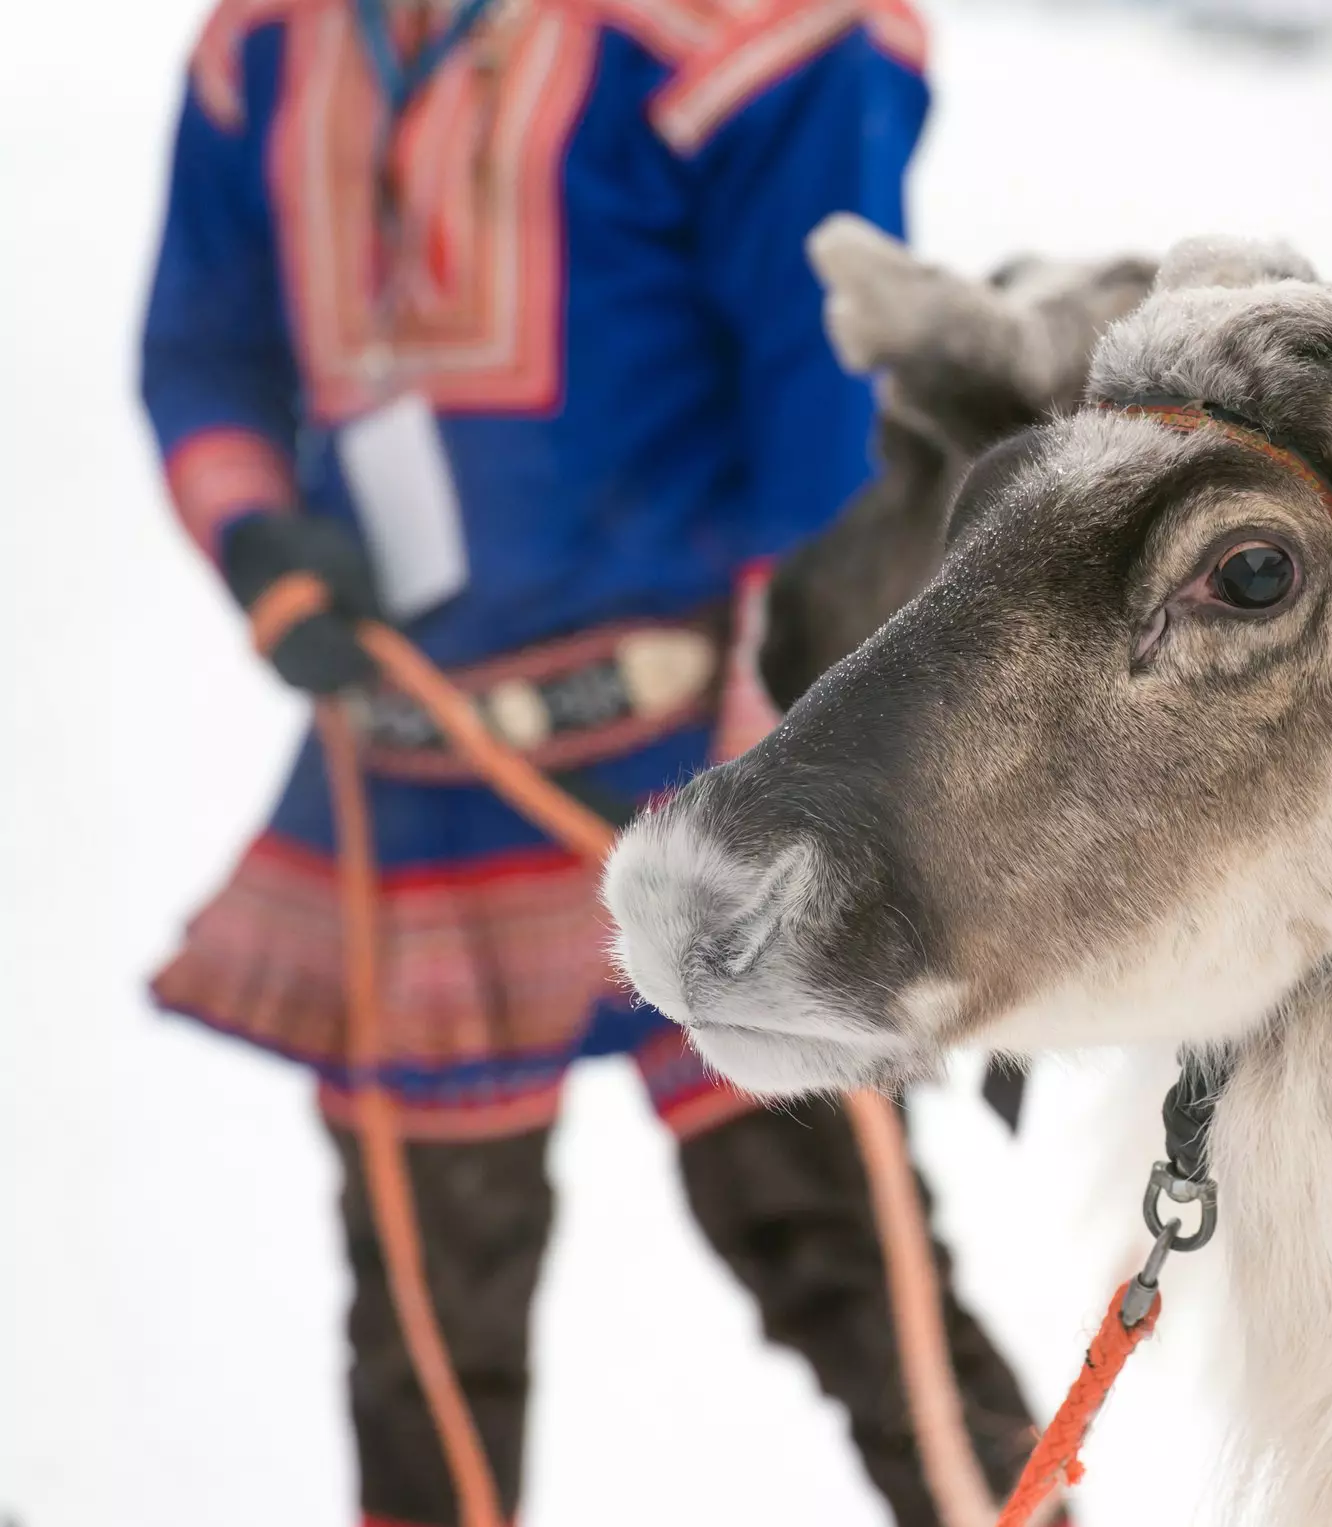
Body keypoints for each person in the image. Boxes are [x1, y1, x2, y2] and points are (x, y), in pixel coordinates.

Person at [138, 1, 1045, 1523]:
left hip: (706, 757)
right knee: (427, 1327)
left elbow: (819, 425)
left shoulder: (742, 38)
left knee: (849, 1263)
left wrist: (820, 752)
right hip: (402, 777)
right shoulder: (266, 48)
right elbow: (201, 345)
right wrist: (261, 544)